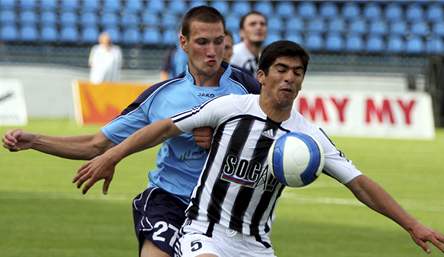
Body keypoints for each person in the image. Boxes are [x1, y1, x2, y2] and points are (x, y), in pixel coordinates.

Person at [73, 40, 444, 257]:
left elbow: (359, 183)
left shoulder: (309, 139)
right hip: (205, 233)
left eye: (297, 72)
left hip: (256, 245)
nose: (289, 78)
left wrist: (413, 224)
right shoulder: (230, 109)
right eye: (281, 70)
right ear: (262, 76)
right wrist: (111, 154)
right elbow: (163, 127)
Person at [2, 6, 260, 257]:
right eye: (202, 42)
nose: (212, 52)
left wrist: (226, 138)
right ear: (184, 43)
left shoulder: (247, 88)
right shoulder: (161, 96)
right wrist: (35, 140)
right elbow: (96, 144)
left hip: (224, 211)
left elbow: (278, 136)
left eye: (218, 42)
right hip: (169, 200)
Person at [230, 11, 267, 76]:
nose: (259, 27)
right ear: (242, 32)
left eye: (262, 24)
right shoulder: (233, 54)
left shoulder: (267, 55)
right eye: (252, 24)